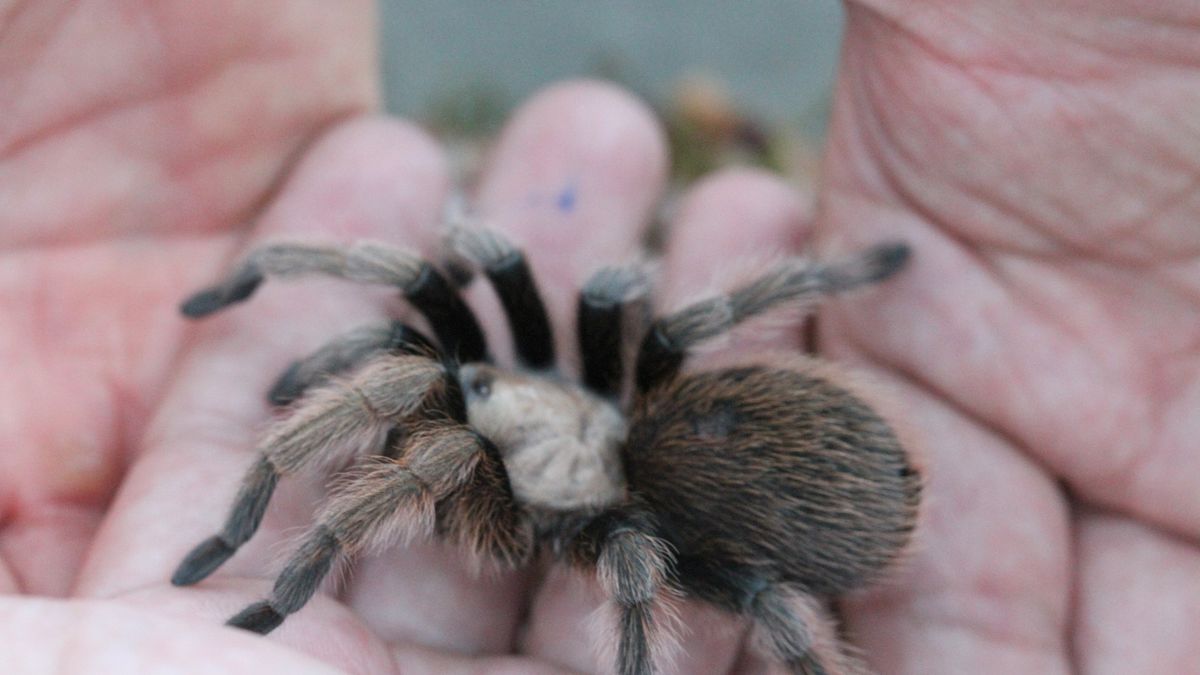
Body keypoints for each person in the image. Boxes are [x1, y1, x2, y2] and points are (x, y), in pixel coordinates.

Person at [3, 2, 1197, 673]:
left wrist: (289, 566)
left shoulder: (528, 486)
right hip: (665, 436)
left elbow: (445, 452)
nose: (465, 386)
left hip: (682, 485)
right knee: (592, 310)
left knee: (533, 452)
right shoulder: (556, 373)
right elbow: (446, 286)